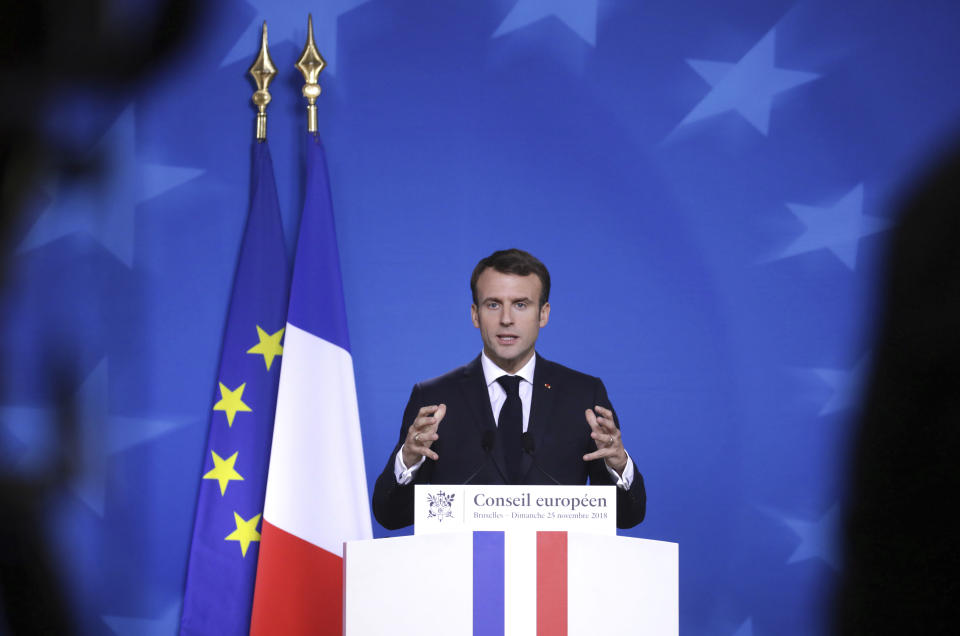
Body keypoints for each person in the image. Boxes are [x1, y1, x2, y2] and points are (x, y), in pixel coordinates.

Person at [372, 249, 646, 530]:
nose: (506, 319)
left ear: (543, 314)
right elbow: (391, 517)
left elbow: (627, 517)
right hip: (462, 569)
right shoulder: (435, 398)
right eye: (493, 304)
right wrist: (408, 460)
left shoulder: (583, 395)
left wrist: (618, 464)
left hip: (554, 568)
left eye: (520, 304)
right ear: (475, 314)